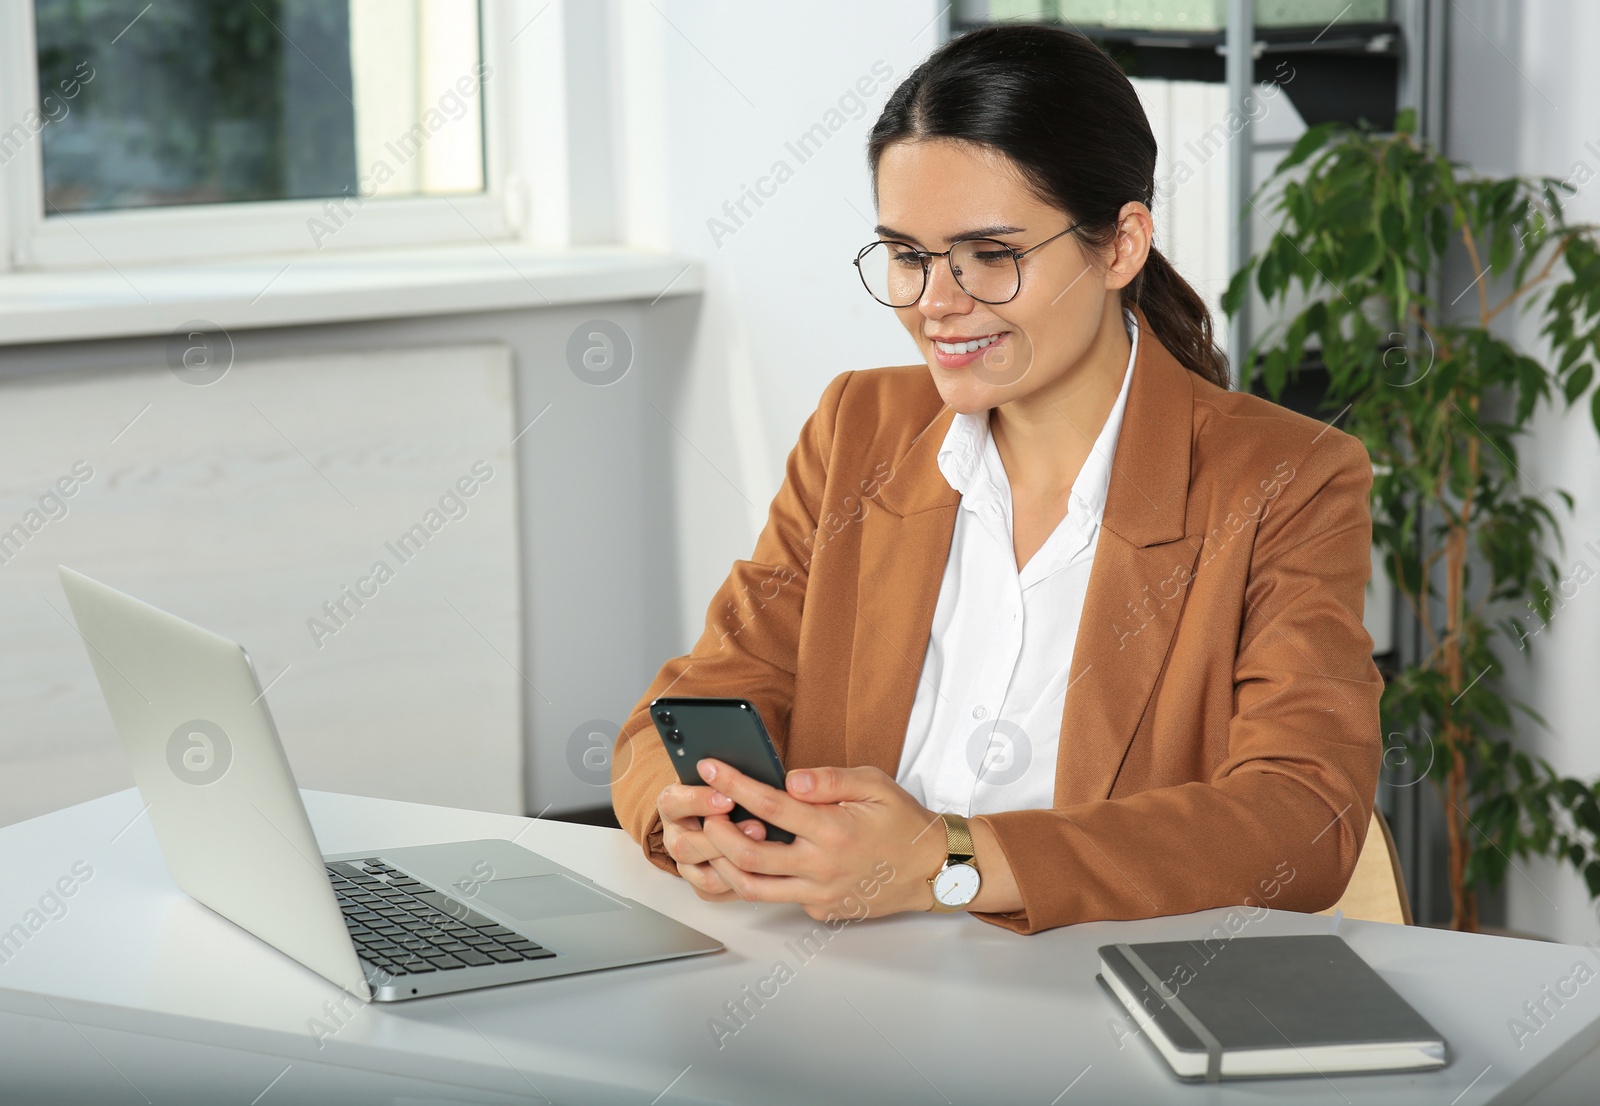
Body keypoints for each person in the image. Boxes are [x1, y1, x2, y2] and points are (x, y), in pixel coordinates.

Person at [609, 23, 1381, 935]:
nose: (938, 302)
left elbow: (1305, 816)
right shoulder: (861, 428)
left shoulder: (1286, 480)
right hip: (833, 982)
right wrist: (688, 814)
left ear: (1120, 245)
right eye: (907, 255)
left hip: (1091, 1011)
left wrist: (952, 859)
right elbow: (692, 702)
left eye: (991, 255)